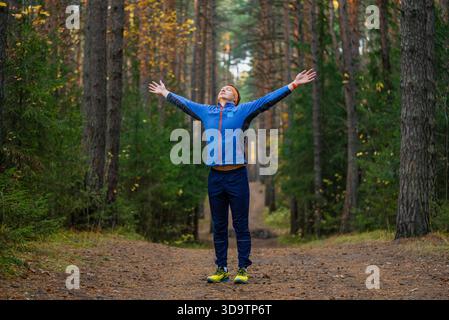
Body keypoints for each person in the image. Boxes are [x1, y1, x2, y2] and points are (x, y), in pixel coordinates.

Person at [148, 69, 317, 284]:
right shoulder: (206, 111)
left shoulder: (242, 111)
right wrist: (165, 93)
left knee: (240, 225)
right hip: (215, 178)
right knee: (218, 226)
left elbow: (267, 100)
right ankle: (221, 269)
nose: (224, 89)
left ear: (235, 98)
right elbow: (186, 104)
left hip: (237, 177)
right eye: (222, 88)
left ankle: (243, 269)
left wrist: (292, 85)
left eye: (229, 89)